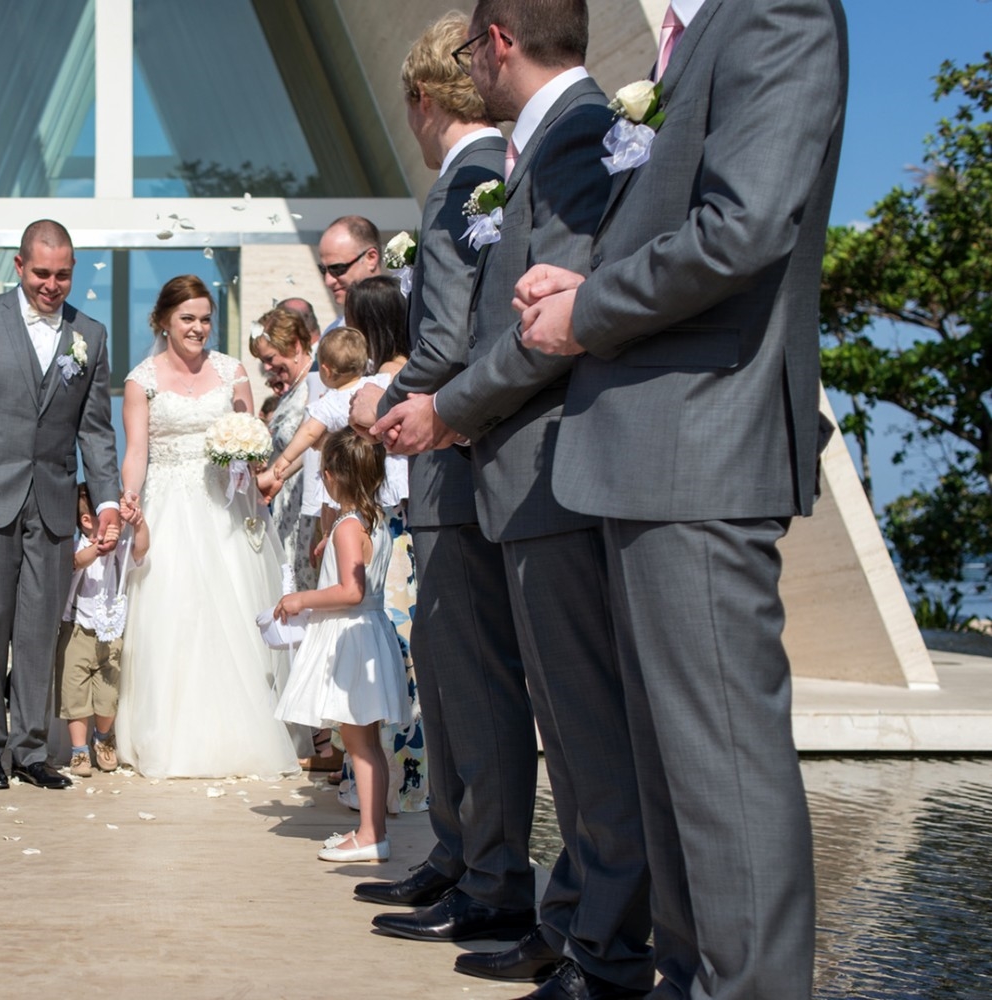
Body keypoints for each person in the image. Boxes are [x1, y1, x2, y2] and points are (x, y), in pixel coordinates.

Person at [510, 2, 849, 996]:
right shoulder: (694, 35)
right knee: (671, 774)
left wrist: (587, 309)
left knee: (720, 773)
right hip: (649, 449)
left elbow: (746, 227)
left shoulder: (775, 11)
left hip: (700, 443)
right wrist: (578, 284)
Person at [372, 3, 655, 996]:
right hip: (511, 461)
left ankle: (592, 939)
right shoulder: (528, 152)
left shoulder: (560, 139)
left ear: (492, 45)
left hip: (537, 461)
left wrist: (429, 407)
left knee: (569, 720)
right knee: (551, 720)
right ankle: (571, 923)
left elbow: (522, 327)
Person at [344, 13, 538, 981]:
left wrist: (387, 396)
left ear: (421, 99)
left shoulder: (468, 180)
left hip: (461, 466)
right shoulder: (481, 174)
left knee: (473, 678)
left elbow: (451, 335)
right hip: (454, 469)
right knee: (449, 669)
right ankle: (460, 855)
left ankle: (492, 876)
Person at [0, 220, 122, 792]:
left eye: (62, 275)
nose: (51, 285)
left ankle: (32, 750)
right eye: (41, 273)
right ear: (19, 266)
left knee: (40, 630)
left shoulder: (90, 334)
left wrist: (107, 499)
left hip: (55, 501)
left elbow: (95, 429)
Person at [113, 276, 300, 779]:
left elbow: (252, 438)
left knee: (235, 608)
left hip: (227, 505)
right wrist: (130, 497)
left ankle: (243, 732)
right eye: (187, 319)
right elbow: (137, 452)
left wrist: (255, 461)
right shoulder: (141, 380)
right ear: (163, 322)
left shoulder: (232, 371)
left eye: (204, 319)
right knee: (175, 612)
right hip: (169, 504)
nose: (198, 328)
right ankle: (173, 734)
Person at [274, 429, 410, 862]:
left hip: (351, 636)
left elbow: (352, 591)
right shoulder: (373, 521)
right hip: (368, 632)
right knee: (367, 742)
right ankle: (374, 831)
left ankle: (370, 835)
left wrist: (301, 599)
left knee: (359, 744)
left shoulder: (349, 528)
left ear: (331, 476)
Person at [341, 276, 424, 817]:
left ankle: (380, 788)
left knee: (382, 653)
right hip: (417, 529)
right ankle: (413, 784)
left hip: (387, 531)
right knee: (412, 659)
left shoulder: (374, 386)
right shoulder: (419, 373)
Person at [58, 485, 149, 776]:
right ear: (88, 521)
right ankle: (79, 750)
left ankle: (103, 738)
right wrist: (97, 548)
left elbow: (141, 549)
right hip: (77, 630)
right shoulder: (78, 547)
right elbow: (75, 563)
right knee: (75, 693)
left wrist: (139, 524)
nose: (118, 524)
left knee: (108, 694)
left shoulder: (120, 552)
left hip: (109, 632)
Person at [251, 310, 325, 593]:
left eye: (270, 358)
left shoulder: (313, 383)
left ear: (295, 346)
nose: (267, 367)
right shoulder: (292, 389)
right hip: (285, 501)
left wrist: (274, 473)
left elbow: (312, 443)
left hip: (306, 501)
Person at [258, 327, 371, 499]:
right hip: (371, 470)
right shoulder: (376, 386)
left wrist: (285, 459)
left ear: (325, 371)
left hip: (341, 477)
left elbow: (309, 432)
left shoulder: (329, 401)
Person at [317, 216, 384, 330]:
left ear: (371, 258)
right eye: (323, 270)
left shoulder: (409, 323)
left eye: (337, 268)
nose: (328, 281)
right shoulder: (333, 332)